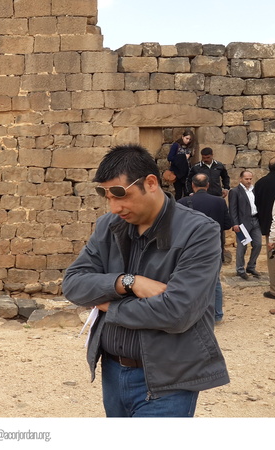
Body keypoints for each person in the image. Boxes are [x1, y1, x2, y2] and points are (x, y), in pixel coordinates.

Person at [63, 144, 229, 418]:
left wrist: (108, 305)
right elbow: (72, 284)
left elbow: (178, 312)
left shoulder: (199, 231)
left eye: (121, 195)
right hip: (112, 374)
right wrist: (128, 282)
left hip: (169, 380)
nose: (114, 207)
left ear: (151, 183)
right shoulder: (108, 226)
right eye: (107, 196)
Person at [178, 173, 232, 322]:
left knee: (189, 281)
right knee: (215, 281)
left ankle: (193, 315)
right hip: (214, 247)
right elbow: (227, 224)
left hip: (190, 248)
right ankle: (217, 314)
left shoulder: (182, 202)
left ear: (192, 185)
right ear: (208, 185)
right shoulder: (219, 202)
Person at [228, 170, 262, 280]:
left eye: (250, 179)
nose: (249, 181)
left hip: (255, 220)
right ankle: (240, 269)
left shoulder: (254, 190)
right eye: (246, 179)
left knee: (258, 244)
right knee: (242, 246)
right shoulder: (235, 191)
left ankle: (251, 266)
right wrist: (235, 223)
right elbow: (232, 209)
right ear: (241, 179)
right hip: (242, 223)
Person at [254, 157, 275, 300]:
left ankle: (274, 290)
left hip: (270, 226)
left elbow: (257, 204)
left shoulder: (261, 183)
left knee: (273, 260)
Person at [167, 129, 197, 200]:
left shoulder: (190, 146)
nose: (188, 141)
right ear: (182, 137)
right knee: (179, 192)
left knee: (187, 192)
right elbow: (170, 157)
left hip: (187, 172)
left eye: (190, 139)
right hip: (177, 172)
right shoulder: (176, 145)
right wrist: (183, 157)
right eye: (187, 138)